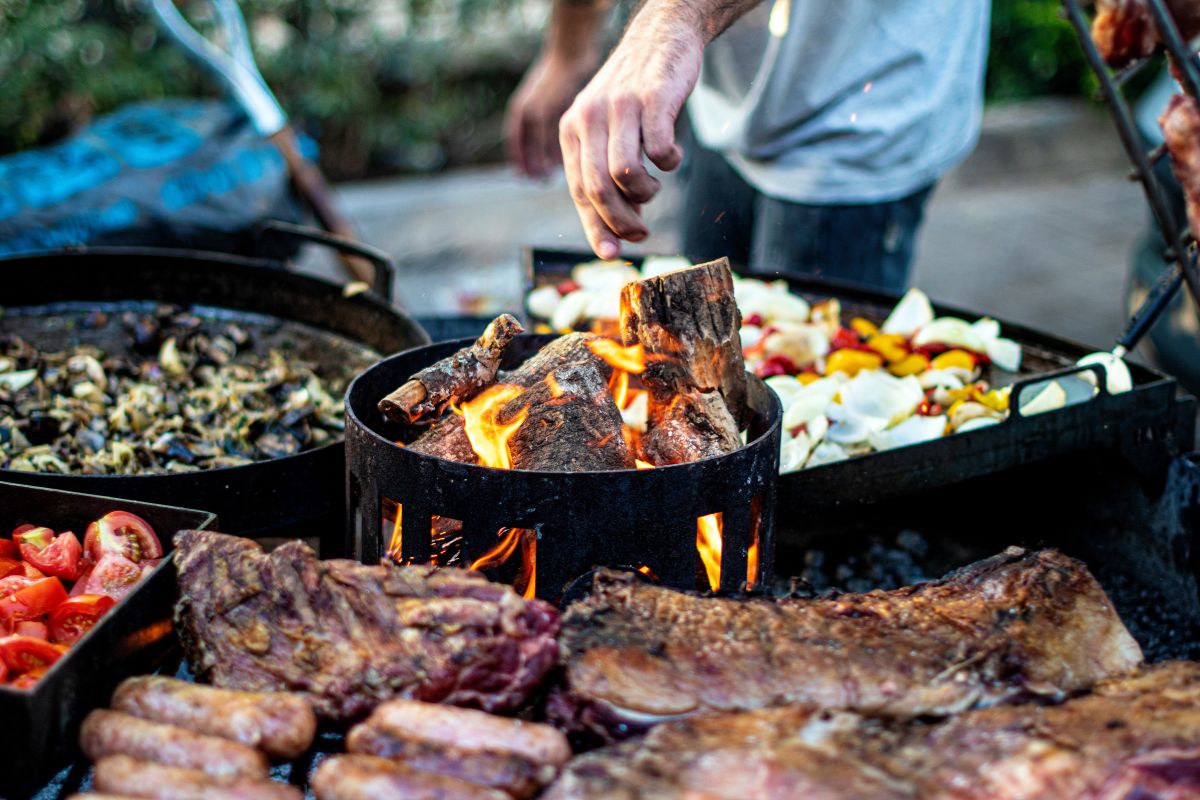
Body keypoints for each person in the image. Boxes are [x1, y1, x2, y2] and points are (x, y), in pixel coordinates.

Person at [505, 0, 990, 291]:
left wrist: (671, 19)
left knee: (806, 391)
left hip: (856, 102)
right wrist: (568, 48)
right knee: (698, 348)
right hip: (721, 88)